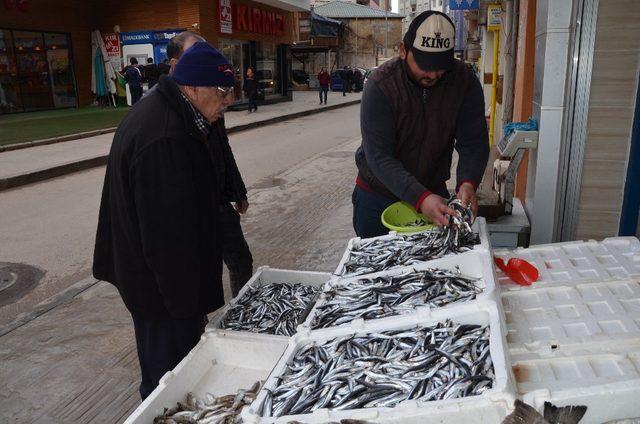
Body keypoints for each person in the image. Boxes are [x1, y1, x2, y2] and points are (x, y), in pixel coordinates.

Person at [93, 42, 237, 399]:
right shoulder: (166, 137)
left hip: (160, 284)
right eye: (222, 92)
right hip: (162, 293)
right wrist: (187, 309)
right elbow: (165, 239)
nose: (228, 101)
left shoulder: (177, 114)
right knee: (167, 382)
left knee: (174, 372)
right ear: (192, 87)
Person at [352, 11, 489, 238]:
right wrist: (420, 197)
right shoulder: (380, 85)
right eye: (425, 64)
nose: (433, 74)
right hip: (377, 195)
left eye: (440, 65)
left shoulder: (463, 82)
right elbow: (379, 157)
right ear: (403, 51)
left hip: (432, 189)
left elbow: (474, 142)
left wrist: (468, 182)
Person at [152, 30, 253, 300]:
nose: (228, 101)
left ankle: (243, 310)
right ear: (176, 65)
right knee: (195, 273)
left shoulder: (209, 103)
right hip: (192, 210)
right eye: (195, 53)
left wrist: (237, 190)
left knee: (241, 259)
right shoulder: (164, 117)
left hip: (217, 200)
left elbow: (223, 149)